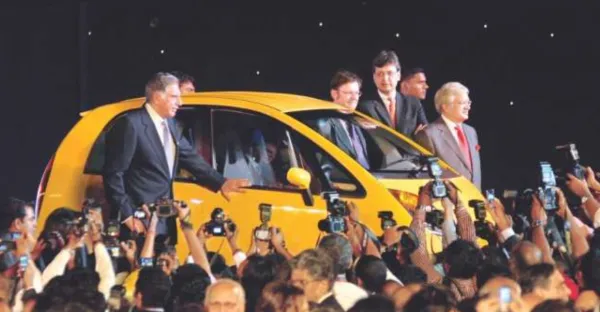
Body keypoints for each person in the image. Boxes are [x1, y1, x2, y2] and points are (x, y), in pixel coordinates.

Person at [103, 72, 248, 243]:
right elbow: (113, 174)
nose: (180, 103)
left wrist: (221, 182)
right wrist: (127, 217)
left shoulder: (171, 124)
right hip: (139, 221)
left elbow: (191, 158)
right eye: (174, 97)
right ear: (157, 97)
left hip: (166, 219)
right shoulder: (131, 124)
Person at [414, 82, 482, 190]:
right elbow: (424, 176)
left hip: (474, 200)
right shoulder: (428, 134)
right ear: (445, 107)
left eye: (468, 102)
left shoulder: (471, 132)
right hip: (447, 203)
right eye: (462, 103)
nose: (468, 107)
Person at [357, 50, 428, 138]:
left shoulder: (413, 104)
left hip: (411, 152)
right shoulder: (364, 106)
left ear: (398, 75)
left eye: (389, 73)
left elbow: (425, 135)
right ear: (374, 77)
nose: (385, 79)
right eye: (380, 74)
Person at [325, 70, 369, 169]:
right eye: (349, 93)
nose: (354, 98)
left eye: (357, 93)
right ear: (334, 94)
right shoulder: (325, 124)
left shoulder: (356, 122)